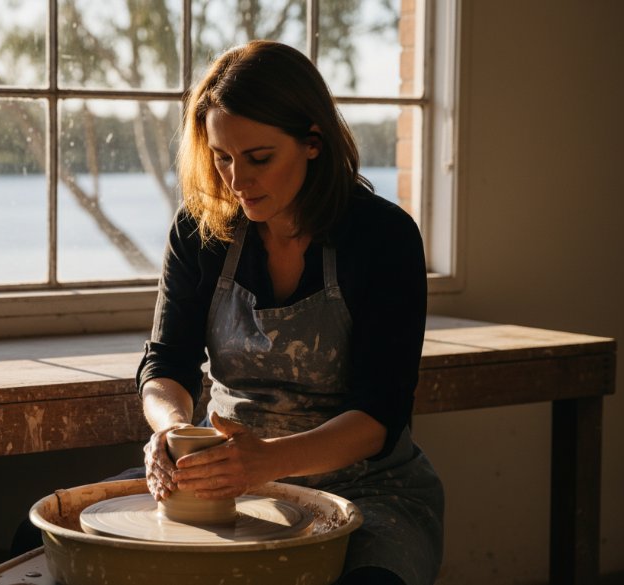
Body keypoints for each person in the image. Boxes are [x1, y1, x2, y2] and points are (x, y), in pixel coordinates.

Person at [135, 40, 444, 585]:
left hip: (368, 486)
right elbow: (166, 362)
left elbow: (380, 415)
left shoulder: (383, 237)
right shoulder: (199, 230)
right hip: (225, 477)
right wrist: (173, 431)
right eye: (221, 157)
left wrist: (267, 462)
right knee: (35, 538)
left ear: (313, 143)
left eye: (258, 158)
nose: (237, 180)